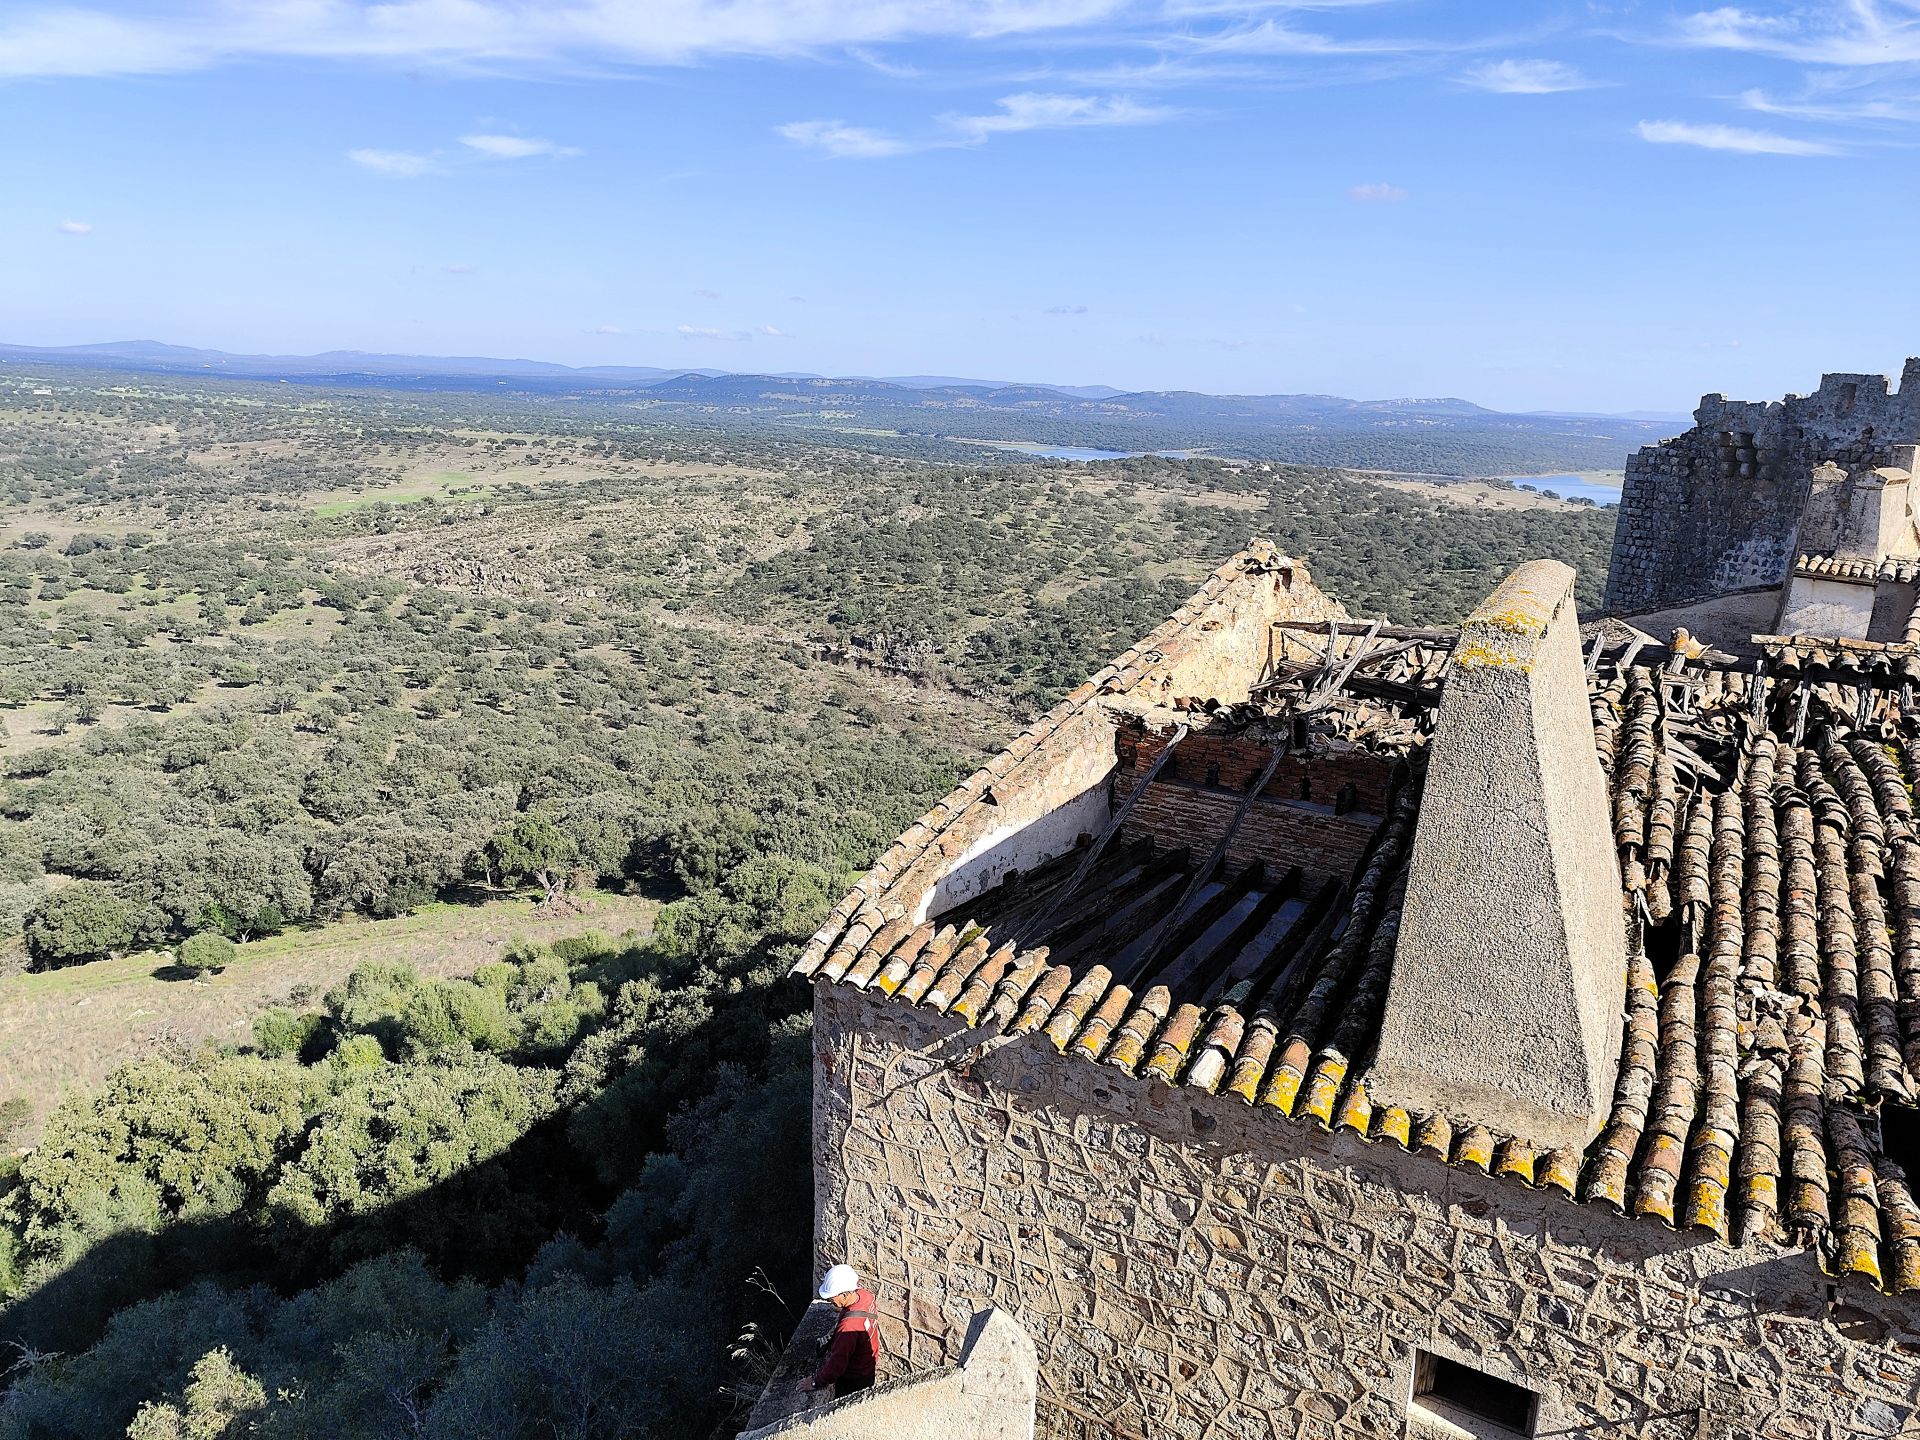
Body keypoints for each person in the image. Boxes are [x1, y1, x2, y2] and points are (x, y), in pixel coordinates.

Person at [797, 1264, 879, 1399]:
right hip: (868, 1368)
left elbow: (837, 1364)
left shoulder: (848, 1327)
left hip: (854, 1379)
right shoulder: (865, 1296)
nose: (829, 1300)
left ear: (845, 1294)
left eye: (832, 1296)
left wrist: (814, 1382)